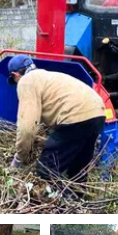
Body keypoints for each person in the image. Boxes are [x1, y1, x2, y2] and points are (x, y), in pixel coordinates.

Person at [8, 56, 107, 186]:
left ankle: (57, 203)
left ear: (15, 74)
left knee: (46, 168)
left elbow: (27, 128)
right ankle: (75, 202)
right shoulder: (48, 76)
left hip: (75, 116)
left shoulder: (26, 81)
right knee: (77, 171)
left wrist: (20, 158)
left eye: (14, 80)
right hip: (97, 112)